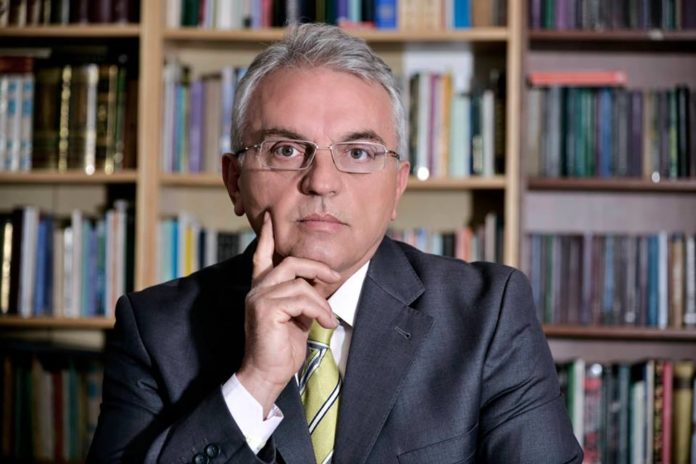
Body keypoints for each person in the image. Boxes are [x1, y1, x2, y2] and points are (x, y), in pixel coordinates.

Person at [88, 23, 582, 464]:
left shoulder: (489, 315)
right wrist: (253, 384)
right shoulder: (155, 329)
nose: (322, 181)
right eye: (286, 149)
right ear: (235, 181)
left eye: (359, 152)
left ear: (398, 186)